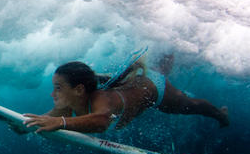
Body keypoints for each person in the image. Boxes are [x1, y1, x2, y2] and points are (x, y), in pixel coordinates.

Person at [23, 57, 229, 133]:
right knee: (161, 66)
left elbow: (102, 121)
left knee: (190, 105)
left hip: (156, 91)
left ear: (78, 89)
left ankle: (221, 114)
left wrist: (61, 123)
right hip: (136, 84)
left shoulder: (101, 99)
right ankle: (170, 51)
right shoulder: (72, 100)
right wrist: (22, 126)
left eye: (58, 87)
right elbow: (51, 118)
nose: (52, 93)